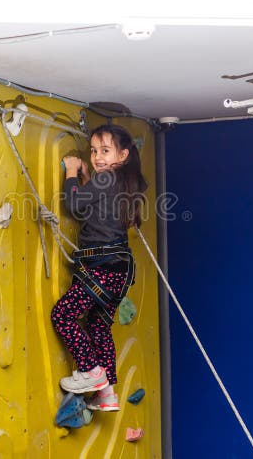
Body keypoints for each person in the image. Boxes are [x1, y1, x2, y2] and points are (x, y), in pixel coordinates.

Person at [51, 123, 148, 412]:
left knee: (63, 315)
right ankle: (106, 394)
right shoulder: (125, 182)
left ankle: (91, 371)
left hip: (100, 270)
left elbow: (76, 204)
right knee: (97, 325)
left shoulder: (106, 179)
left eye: (105, 150)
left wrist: (70, 172)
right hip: (117, 275)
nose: (97, 157)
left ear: (124, 154)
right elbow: (96, 200)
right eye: (94, 151)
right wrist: (88, 177)